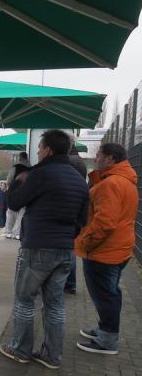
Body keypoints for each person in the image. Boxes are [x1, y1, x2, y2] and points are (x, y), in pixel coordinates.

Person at [0, 130, 89, 370]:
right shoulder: (80, 180)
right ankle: (52, 355)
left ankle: (20, 349)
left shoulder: (39, 174)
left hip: (37, 248)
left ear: (48, 149)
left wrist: (14, 183)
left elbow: (15, 203)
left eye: (39, 148)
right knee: (55, 304)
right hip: (64, 250)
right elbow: (83, 219)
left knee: (24, 300)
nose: (37, 152)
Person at [75, 143, 137, 355]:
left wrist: (84, 244)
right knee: (110, 294)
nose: (96, 158)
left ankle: (107, 340)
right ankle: (104, 330)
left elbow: (105, 223)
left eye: (99, 155)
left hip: (104, 251)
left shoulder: (111, 184)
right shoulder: (125, 181)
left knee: (105, 296)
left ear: (110, 159)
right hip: (119, 247)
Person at [64, 134, 88, 294]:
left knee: (67, 249)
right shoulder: (80, 162)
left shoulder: (68, 162)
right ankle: (71, 283)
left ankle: (68, 283)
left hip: (67, 207)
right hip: (78, 208)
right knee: (71, 249)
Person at [3, 152, 31, 239]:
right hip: (26, 192)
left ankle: (8, 232)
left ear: (20, 158)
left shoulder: (16, 167)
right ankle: (17, 233)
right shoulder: (32, 168)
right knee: (21, 214)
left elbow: (9, 180)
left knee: (11, 212)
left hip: (14, 192)